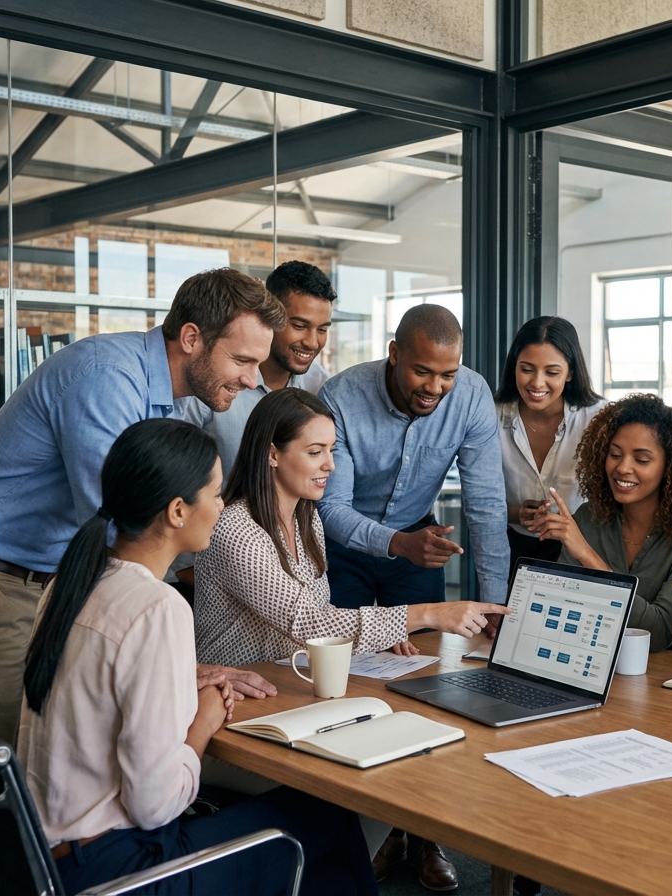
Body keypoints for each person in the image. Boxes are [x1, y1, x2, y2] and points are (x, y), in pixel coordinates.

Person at [0, 269, 285, 743]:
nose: (253, 380)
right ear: (192, 337)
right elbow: (124, 531)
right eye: (242, 360)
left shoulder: (165, 396)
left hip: (39, 586)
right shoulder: (108, 379)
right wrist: (168, 661)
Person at [17, 418, 376, 896]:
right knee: (331, 817)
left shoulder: (74, 581)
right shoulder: (158, 606)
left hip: (43, 856)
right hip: (121, 870)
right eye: (216, 493)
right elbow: (154, 804)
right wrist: (203, 721)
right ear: (178, 511)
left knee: (329, 878)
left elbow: (96, 679)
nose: (223, 505)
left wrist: (178, 676)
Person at [316, 304, 509, 892]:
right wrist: (395, 543)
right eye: (424, 371)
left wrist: (494, 607)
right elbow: (331, 508)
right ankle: (372, 832)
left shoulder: (470, 396)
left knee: (426, 687)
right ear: (395, 353)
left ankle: (426, 836)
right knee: (357, 686)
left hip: (417, 544)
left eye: (447, 374)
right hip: (346, 549)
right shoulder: (342, 396)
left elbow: (485, 505)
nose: (436, 387)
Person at [195, 387, 510, 667]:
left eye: (331, 450)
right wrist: (427, 614)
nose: (330, 465)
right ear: (273, 454)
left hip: (287, 684)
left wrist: (382, 634)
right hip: (234, 695)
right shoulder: (236, 529)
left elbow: (319, 619)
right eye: (315, 451)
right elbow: (308, 623)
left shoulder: (307, 519)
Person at [528, 393, 672, 652]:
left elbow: (657, 632)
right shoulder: (589, 517)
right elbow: (565, 609)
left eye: (641, 460)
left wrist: (587, 556)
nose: (622, 468)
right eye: (615, 454)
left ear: (671, 467)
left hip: (668, 675)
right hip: (589, 659)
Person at [189, 260, 336, 478]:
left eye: (322, 329)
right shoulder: (213, 380)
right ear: (270, 316)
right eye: (299, 326)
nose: (312, 343)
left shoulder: (320, 386)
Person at [494, 316, 605, 569]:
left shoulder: (599, 419)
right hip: (510, 547)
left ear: (570, 373)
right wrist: (516, 514)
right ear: (514, 368)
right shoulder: (491, 415)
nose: (537, 383)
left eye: (552, 372)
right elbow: (478, 497)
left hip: (581, 548)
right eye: (527, 369)